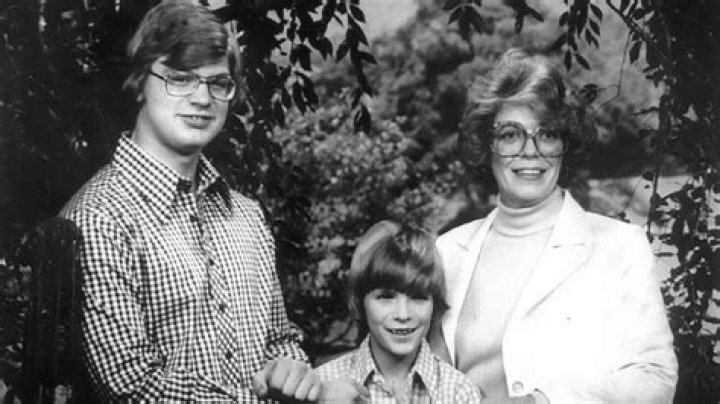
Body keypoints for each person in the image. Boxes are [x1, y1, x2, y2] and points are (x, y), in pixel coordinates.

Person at [60, 2, 329, 401]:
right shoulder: (98, 218)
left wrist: (291, 372)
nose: (202, 98)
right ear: (140, 82)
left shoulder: (247, 216)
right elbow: (134, 388)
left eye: (218, 83)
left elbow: (279, 340)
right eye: (180, 78)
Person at [429, 48, 678, 403]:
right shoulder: (447, 252)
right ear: (486, 146)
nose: (530, 150)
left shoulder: (620, 246)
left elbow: (656, 378)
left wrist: (544, 401)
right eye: (510, 134)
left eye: (547, 134)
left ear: (565, 144)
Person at [317, 221, 483, 403]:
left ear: (434, 304)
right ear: (361, 301)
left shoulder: (458, 392)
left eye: (418, 297)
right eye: (386, 297)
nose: (403, 315)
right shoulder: (323, 384)